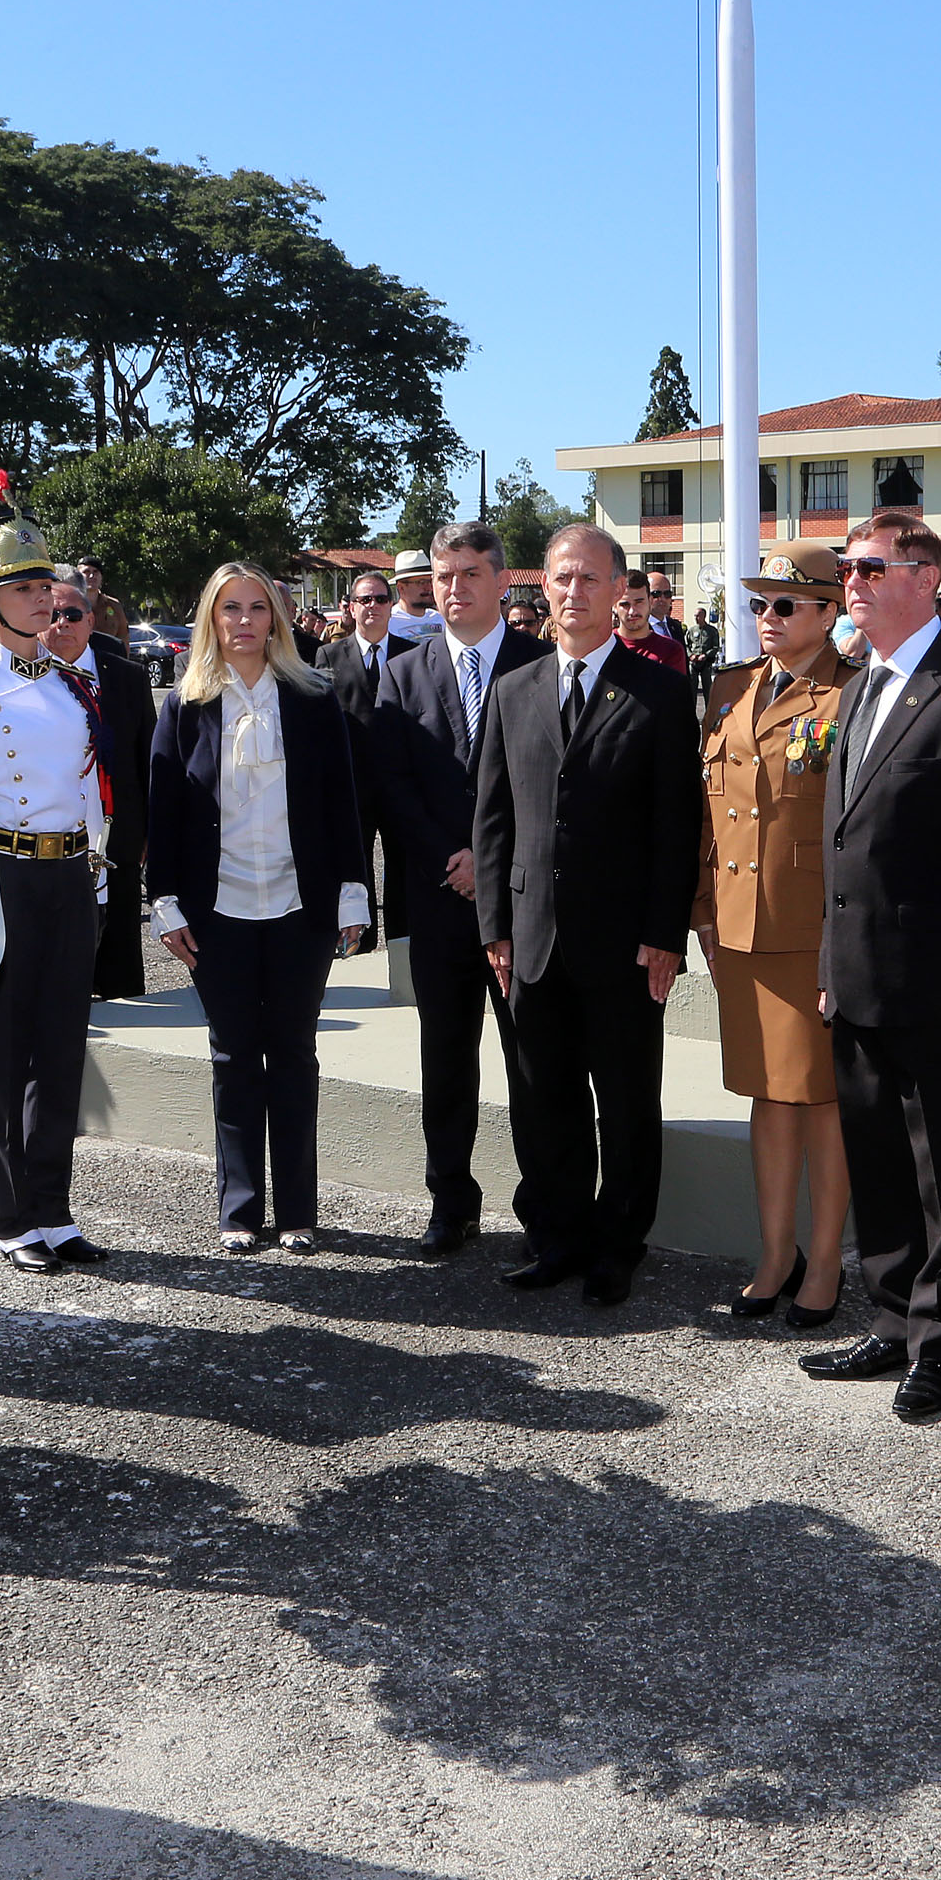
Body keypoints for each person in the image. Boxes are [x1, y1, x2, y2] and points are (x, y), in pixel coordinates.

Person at [799, 515, 941, 1419]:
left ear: (925, 577)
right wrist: (830, 959)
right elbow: (842, 838)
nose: (849, 582)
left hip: (940, 989)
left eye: (867, 567)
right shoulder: (861, 687)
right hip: (858, 976)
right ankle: (891, 1319)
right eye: (847, 568)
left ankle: (940, 1347)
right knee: (879, 1163)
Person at [472, 523, 700, 1307]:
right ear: (545, 587)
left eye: (590, 579)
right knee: (547, 1099)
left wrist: (664, 934)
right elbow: (492, 819)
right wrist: (495, 927)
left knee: (627, 1103)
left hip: (624, 942)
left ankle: (618, 1246)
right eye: (563, 578)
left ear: (619, 590)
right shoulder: (513, 690)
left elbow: (677, 826)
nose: (574, 592)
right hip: (532, 937)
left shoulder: (659, 691)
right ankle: (557, 1236)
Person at [150, 563, 370, 1253]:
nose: (244, 621)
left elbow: (342, 803)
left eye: (257, 608)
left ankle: (298, 1210)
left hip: (301, 907)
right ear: (211, 621)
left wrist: (353, 891)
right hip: (217, 911)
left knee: (294, 1053)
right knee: (233, 1055)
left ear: (276, 618)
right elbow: (163, 810)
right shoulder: (184, 706)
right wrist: (164, 902)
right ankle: (240, 1210)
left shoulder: (312, 698)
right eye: (230, 609)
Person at [368, 521, 548, 1254]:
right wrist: (451, 858)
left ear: (502, 581)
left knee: (533, 1062)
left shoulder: (542, 664)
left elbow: (550, 785)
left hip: (522, 903)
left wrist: (491, 862)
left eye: (471, 573)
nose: (455, 588)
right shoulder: (402, 673)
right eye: (444, 576)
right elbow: (391, 783)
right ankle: (451, 1201)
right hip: (439, 898)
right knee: (445, 1060)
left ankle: (545, 1209)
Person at [693, 543, 857, 1328]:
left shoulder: (852, 694)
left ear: (829, 614)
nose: (768, 617)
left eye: (786, 605)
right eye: (760, 604)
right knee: (768, 1095)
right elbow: (710, 813)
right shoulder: (732, 689)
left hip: (810, 928)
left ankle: (823, 1261)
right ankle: (774, 1253)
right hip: (739, 926)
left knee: (821, 1100)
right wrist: (702, 912)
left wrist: (843, 939)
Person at [0, 483, 115, 1276]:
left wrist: (99, 884)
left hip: (68, 876)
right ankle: (11, 1214)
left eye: (45, 585)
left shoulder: (73, 685)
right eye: (22, 587)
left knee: (61, 1053)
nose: (41, 598)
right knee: (5, 1055)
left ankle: (53, 1207)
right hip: (4, 878)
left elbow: (89, 790)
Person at [48, 561, 156, 1007]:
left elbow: (149, 758)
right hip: (52, 840)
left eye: (72, 614)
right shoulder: (22, 682)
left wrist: (149, 833)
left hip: (118, 837)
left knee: (120, 964)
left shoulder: (126, 677)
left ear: (91, 620)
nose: (62, 624)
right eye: (52, 614)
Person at [326, 570, 415, 943]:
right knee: (355, 867)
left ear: (391, 605)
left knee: (403, 869)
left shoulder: (413, 655)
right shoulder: (328, 655)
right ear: (350, 608)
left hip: (399, 784)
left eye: (380, 599)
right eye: (364, 600)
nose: (373, 606)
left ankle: (402, 947)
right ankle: (358, 945)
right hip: (351, 785)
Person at [617, 567, 690, 675]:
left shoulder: (673, 647)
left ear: (649, 601)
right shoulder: (602, 646)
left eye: (639, 602)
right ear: (614, 605)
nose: (632, 611)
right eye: (625, 604)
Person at [388, 549, 444, 643]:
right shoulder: (388, 623)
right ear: (401, 588)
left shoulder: (440, 619)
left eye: (430, 581)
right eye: (421, 582)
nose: (429, 588)